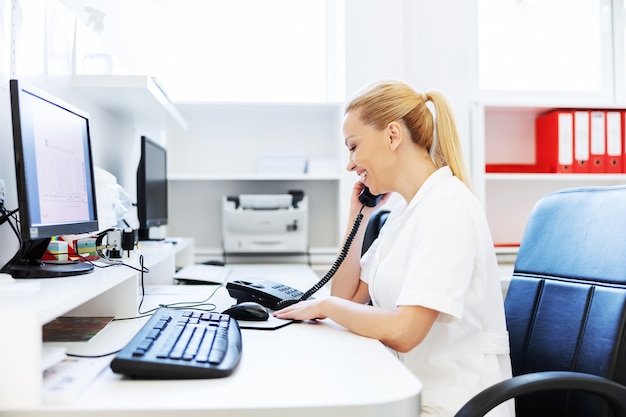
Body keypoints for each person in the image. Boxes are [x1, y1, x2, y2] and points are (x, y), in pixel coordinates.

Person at [274, 80, 514, 417]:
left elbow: (405, 331)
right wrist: (356, 217)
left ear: (392, 136)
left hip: (455, 404)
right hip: (410, 389)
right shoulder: (405, 212)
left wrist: (325, 307)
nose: (350, 163)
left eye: (353, 146)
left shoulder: (447, 207)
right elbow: (349, 297)